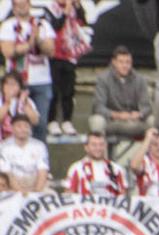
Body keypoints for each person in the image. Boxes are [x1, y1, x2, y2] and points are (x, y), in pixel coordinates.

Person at [0, 0, 56, 142]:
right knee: (13, 120)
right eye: (18, 4)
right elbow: (8, 51)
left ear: (29, 4)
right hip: (16, 82)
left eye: (24, 3)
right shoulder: (8, 26)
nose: (21, 7)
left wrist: (37, 37)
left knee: (40, 124)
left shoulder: (42, 25)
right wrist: (30, 42)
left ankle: (39, 156)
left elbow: (50, 50)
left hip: (41, 81)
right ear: (13, 7)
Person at [44, 0, 90, 136]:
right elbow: (55, 26)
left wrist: (77, 6)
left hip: (70, 55)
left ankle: (67, 120)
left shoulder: (74, 8)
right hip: (54, 55)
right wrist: (66, 10)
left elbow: (83, 21)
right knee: (54, 90)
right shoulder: (50, 9)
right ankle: (52, 120)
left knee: (68, 90)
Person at [89, 46, 151, 144]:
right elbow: (98, 107)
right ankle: (101, 158)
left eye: (128, 62)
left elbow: (147, 107)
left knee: (153, 120)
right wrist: (117, 115)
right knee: (97, 121)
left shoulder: (140, 80)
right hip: (111, 121)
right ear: (114, 62)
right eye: (121, 62)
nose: (125, 65)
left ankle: (150, 158)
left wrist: (139, 114)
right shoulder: (103, 79)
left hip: (134, 121)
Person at [66, 131, 127, 196]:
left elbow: (123, 195)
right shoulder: (76, 168)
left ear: (105, 146)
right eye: (94, 145)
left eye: (101, 144)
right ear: (86, 147)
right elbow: (69, 194)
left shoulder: (116, 169)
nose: (98, 148)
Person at [0, 112, 47, 193]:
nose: (23, 129)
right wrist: (21, 192)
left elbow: (43, 171)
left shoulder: (39, 146)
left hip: (35, 182)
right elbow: (7, 173)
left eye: (26, 126)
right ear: (12, 128)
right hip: (12, 184)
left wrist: (37, 191)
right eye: (19, 126)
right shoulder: (3, 147)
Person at [0, 71, 39, 140]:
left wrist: (24, 104)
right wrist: (7, 103)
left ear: (20, 87)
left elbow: (35, 121)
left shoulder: (26, 100)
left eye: (14, 84)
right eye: (7, 84)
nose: (10, 87)